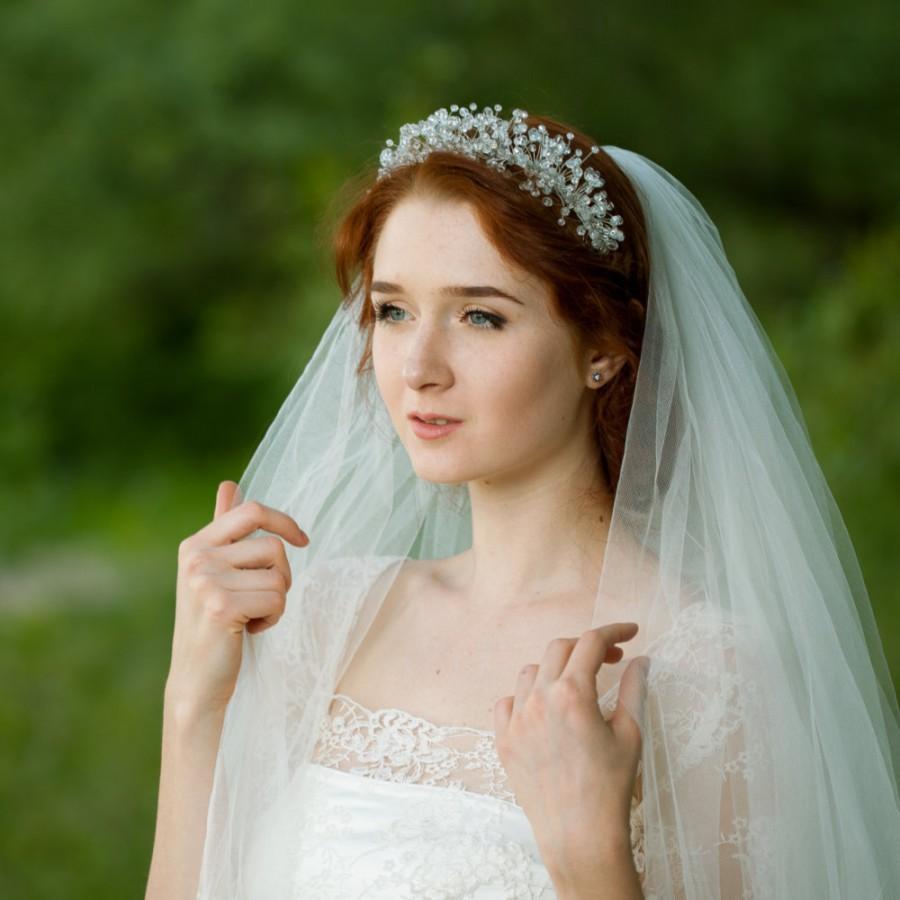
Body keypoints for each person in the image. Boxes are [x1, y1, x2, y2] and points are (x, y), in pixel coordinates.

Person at [145, 103, 900, 899]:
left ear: (603, 348)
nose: (417, 368)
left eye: (480, 315)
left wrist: (592, 861)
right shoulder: (322, 615)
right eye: (394, 311)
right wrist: (194, 702)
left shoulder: (704, 676)